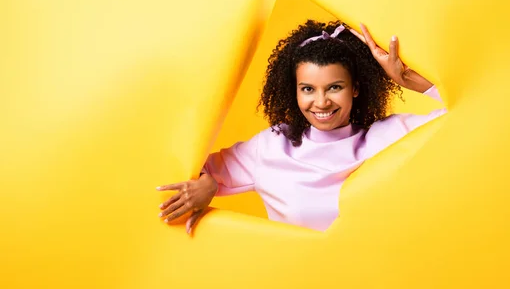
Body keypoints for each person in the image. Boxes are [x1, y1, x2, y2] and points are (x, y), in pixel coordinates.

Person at [156, 20, 446, 234]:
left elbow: (474, 117)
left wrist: (409, 79)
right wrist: (208, 183)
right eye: (308, 89)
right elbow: (195, 171)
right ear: (293, 91)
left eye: (334, 87)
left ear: (355, 88)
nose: (321, 102)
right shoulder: (271, 147)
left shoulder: (392, 135)